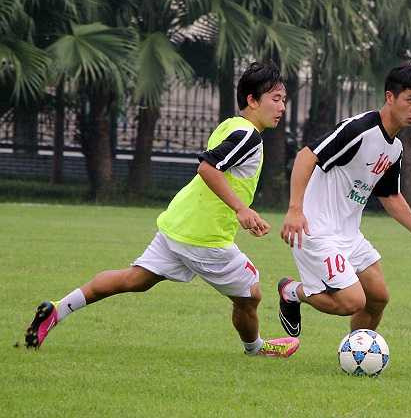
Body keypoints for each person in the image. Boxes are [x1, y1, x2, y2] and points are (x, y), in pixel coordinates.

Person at [25, 62, 300, 357]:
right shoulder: (249, 136)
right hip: (204, 237)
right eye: (275, 99)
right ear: (252, 100)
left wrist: (242, 209)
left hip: (179, 224)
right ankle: (255, 349)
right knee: (251, 294)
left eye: (283, 100)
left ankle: (58, 309)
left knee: (135, 279)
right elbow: (208, 168)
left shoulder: (231, 125)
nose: (282, 107)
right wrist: (241, 210)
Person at [276, 63, 411, 337]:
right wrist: (295, 210)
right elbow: (306, 156)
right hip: (317, 230)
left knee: (378, 298)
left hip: (349, 234)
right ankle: (291, 291)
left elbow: (390, 196)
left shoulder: (395, 148)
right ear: (390, 97)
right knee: (352, 302)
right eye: (410, 100)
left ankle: (358, 352)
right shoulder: (359, 129)